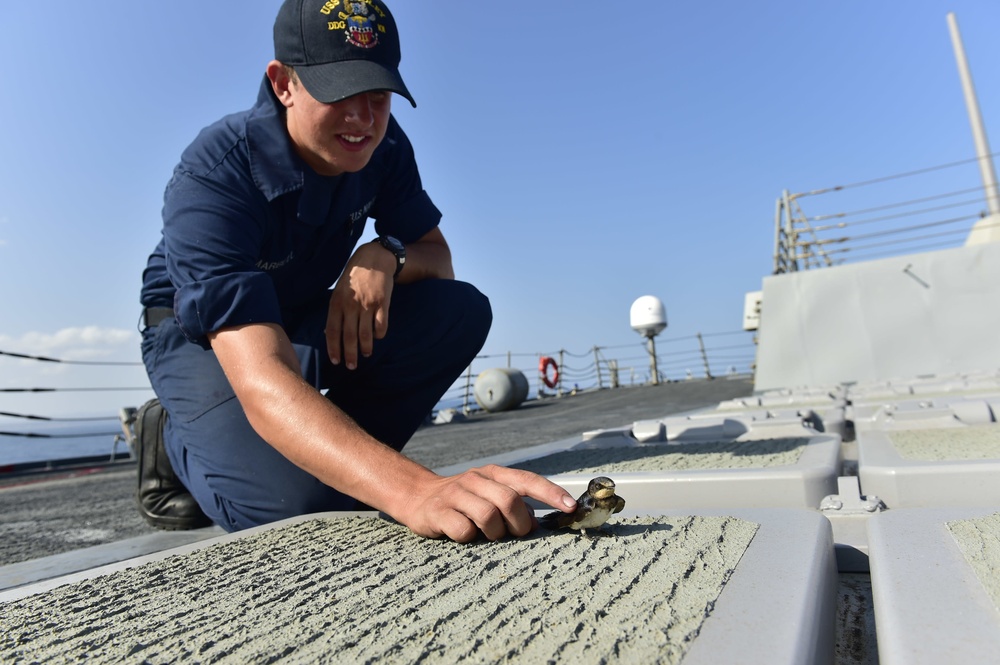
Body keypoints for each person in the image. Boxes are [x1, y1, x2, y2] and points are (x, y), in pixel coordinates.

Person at [137, 0, 577, 542]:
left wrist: (385, 255)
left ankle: (338, 462)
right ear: (283, 84)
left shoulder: (384, 147)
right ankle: (170, 437)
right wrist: (416, 491)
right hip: (203, 338)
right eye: (339, 92)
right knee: (294, 511)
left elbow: (437, 261)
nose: (362, 119)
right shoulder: (214, 174)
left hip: (298, 313)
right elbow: (263, 380)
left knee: (459, 312)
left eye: (377, 95)